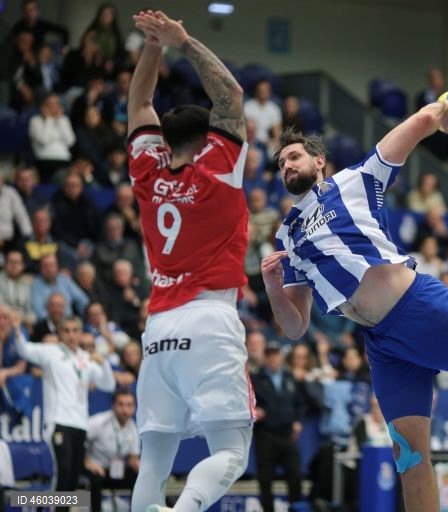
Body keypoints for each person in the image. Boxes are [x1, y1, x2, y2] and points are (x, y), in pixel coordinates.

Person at [262, 104, 448, 509]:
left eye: (294, 156)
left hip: (420, 310)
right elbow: (295, 328)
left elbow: (416, 126)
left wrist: (443, 111)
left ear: (319, 161)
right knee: (410, 456)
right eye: (281, 163)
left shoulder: (357, 180)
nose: (286, 165)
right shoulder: (288, 238)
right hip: (382, 344)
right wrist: (273, 288)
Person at [126, 11, 255, 512]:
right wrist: (182, 42)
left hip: (158, 330)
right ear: (208, 142)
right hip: (208, 319)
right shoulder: (217, 173)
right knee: (230, 451)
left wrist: (152, 46)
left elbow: (139, 102)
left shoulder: (146, 173)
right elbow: (232, 97)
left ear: (166, 142)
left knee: (155, 459)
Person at [14, 315, 115, 512]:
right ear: (59, 333)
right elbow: (24, 350)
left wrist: (103, 363)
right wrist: (18, 329)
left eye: (74, 330)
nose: (70, 335)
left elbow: (108, 384)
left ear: (80, 333)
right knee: (63, 474)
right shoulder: (51, 352)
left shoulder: (85, 358)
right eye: (66, 331)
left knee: (74, 479)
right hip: (58, 422)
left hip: (80, 425)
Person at [250, 342, 305, 512]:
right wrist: (254, 409)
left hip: (288, 434)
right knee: (265, 478)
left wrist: (297, 420)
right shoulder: (255, 379)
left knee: (295, 476)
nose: (273, 358)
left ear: (281, 356)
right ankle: (268, 509)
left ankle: (295, 508)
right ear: (265, 357)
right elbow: (245, 400)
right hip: (266, 434)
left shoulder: (289, 377)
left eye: (275, 354)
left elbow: (299, 403)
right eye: (269, 354)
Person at [85, 389, 141, 512]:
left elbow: (133, 458)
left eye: (129, 405)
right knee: (95, 477)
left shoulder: (133, 427)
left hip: (116, 471)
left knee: (138, 477)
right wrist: (87, 462)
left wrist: (142, 470)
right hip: (96, 468)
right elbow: (77, 442)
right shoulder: (99, 422)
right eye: (121, 404)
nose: (125, 410)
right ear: (113, 405)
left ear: (134, 408)